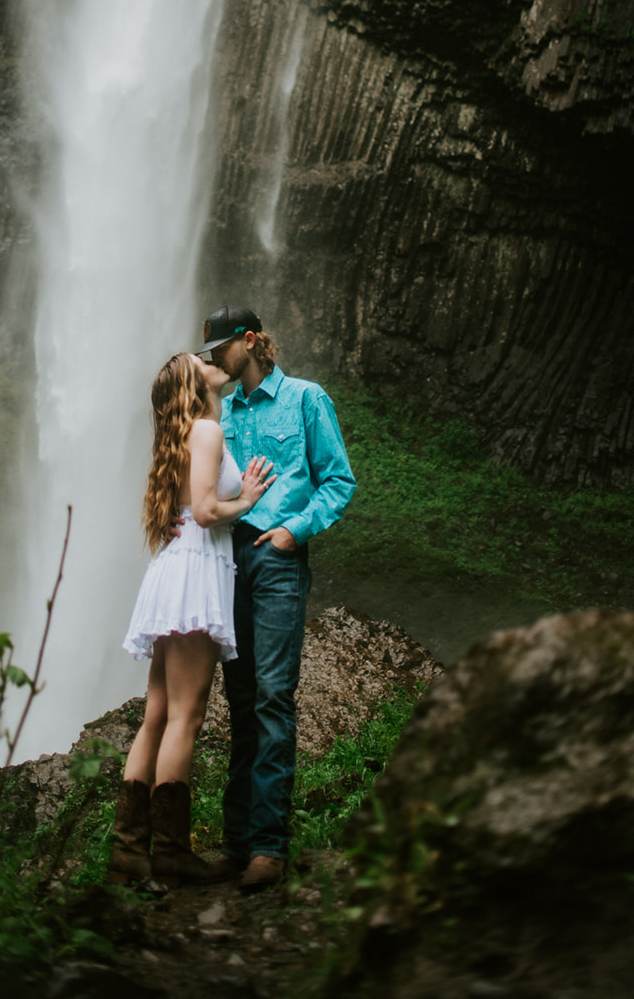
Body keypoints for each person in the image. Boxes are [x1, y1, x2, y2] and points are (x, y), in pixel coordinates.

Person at [196, 305, 356, 891]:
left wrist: (297, 530)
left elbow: (339, 480)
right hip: (227, 560)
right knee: (238, 699)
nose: (215, 356)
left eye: (221, 347)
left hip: (278, 562)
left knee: (272, 695)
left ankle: (268, 845)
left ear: (251, 340)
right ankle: (236, 844)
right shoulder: (223, 409)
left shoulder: (307, 400)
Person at [112, 351, 275, 885]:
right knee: (188, 714)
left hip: (173, 569)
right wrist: (247, 498)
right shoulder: (205, 430)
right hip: (197, 569)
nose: (210, 359)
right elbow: (206, 512)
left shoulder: (182, 434)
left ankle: (130, 851)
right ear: (190, 380)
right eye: (198, 359)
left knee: (157, 713)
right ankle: (172, 851)